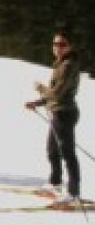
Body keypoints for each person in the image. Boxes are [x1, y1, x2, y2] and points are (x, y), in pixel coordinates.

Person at [25, 30, 81, 202]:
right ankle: (55, 182)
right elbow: (56, 95)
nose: (58, 47)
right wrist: (38, 102)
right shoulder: (60, 63)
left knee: (67, 153)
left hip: (64, 113)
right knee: (52, 150)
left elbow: (57, 93)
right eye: (55, 44)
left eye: (62, 44)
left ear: (69, 46)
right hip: (57, 111)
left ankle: (73, 192)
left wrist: (40, 88)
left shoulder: (68, 65)